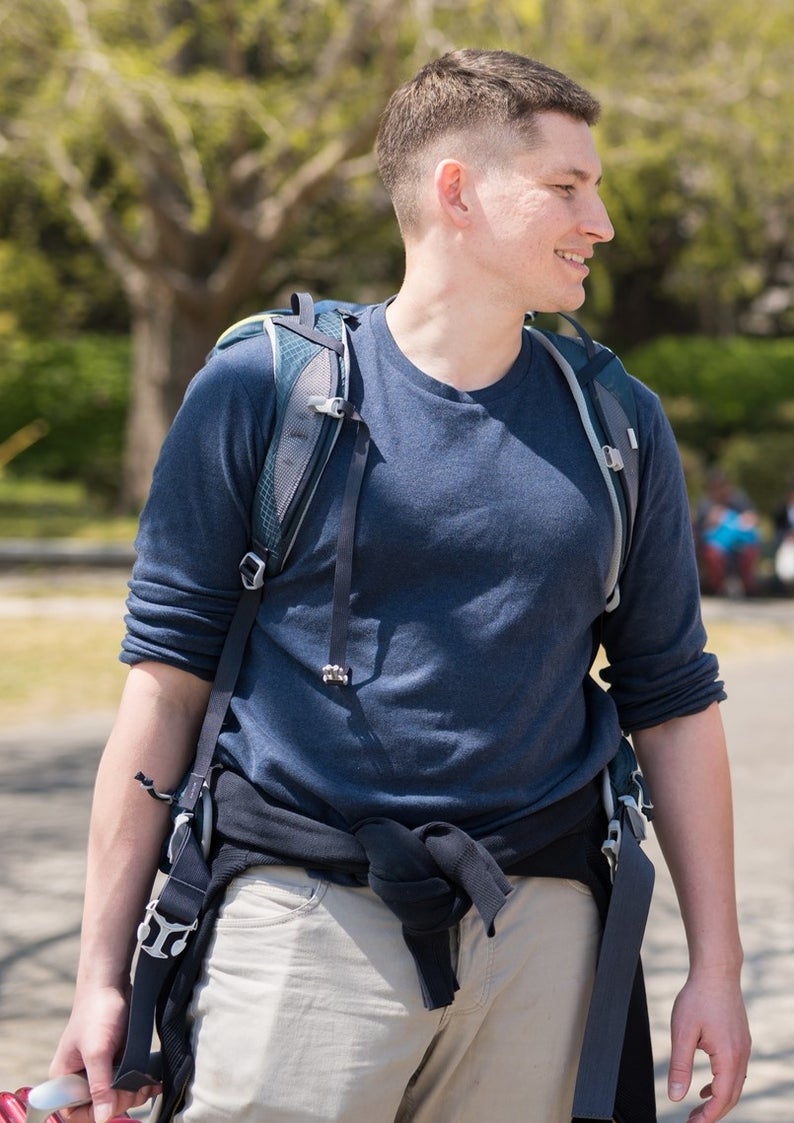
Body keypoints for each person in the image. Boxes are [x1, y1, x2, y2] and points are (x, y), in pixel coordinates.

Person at [51, 50, 749, 1123]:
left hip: (544, 928)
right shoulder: (259, 389)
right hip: (296, 920)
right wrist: (102, 973)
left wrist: (718, 965)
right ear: (456, 189)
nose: (600, 221)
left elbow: (673, 701)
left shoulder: (619, 423)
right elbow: (164, 690)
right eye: (568, 187)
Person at [695, 469, 762, 597]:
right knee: (713, 554)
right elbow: (700, 527)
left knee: (750, 551)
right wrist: (713, 520)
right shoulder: (705, 503)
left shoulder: (738, 498)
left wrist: (746, 519)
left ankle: (749, 587)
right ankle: (717, 588)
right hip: (715, 544)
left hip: (739, 541)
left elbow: (753, 516)